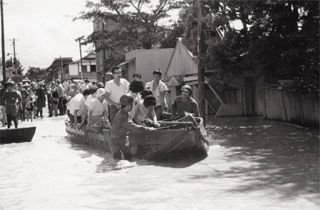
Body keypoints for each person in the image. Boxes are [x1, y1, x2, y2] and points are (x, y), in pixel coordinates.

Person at [109, 94, 155, 161]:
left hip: (123, 140)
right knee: (117, 161)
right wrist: (149, 129)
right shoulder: (122, 116)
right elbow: (133, 127)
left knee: (128, 159)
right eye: (132, 104)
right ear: (129, 105)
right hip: (116, 142)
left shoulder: (125, 113)